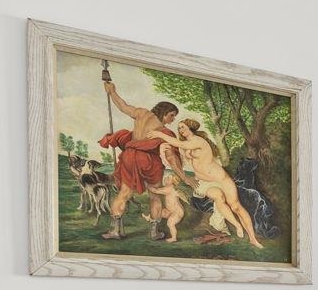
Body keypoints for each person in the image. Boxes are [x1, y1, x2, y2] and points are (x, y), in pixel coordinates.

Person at [97, 76, 188, 241]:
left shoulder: (141, 113)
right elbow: (171, 157)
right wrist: (183, 175)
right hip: (149, 160)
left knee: (124, 193)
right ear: (165, 113)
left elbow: (122, 106)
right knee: (154, 195)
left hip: (130, 157)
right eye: (172, 115)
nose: (173, 120)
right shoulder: (164, 132)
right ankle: (154, 233)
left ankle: (115, 231)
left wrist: (112, 92)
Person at [163, 118, 261, 247]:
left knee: (236, 206)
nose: (181, 130)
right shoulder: (185, 145)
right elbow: (180, 158)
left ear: (190, 127)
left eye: (183, 127)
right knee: (218, 197)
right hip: (205, 182)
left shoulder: (199, 141)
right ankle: (237, 225)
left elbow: (179, 144)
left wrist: (159, 134)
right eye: (179, 128)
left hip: (221, 179)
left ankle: (253, 239)